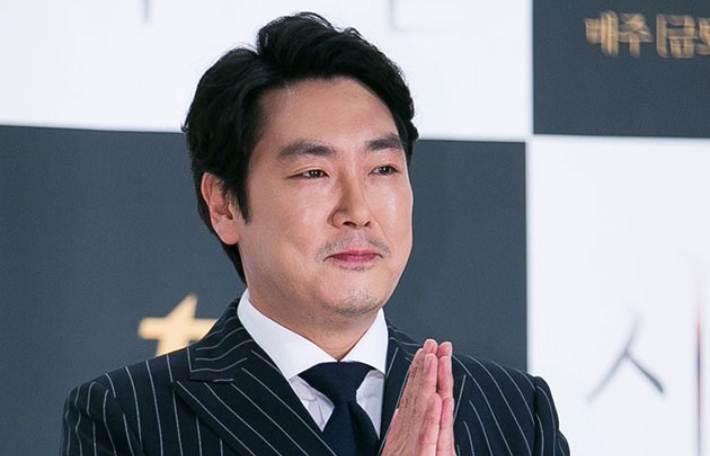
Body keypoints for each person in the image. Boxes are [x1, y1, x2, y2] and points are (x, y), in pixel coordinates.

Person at [61, 12, 569, 456]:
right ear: (224, 204)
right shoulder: (127, 417)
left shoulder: (513, 413)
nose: (357, 212)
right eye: (313, 173)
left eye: (383, 169)